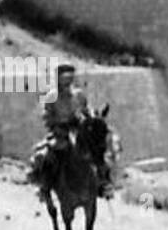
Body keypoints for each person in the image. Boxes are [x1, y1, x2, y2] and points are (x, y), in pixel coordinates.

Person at [28, 63, 114, 200]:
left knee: (97, 149)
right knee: (45, 156)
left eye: (69, 79)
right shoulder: (51, 96)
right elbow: (45, 115)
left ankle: (104, 184)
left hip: (78, 129)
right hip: (60, 131)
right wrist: (55, 125)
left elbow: (86, 110)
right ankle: (45, 187)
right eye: (64, 79)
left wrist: (90, 118)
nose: (67, 82)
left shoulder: (79, 95)